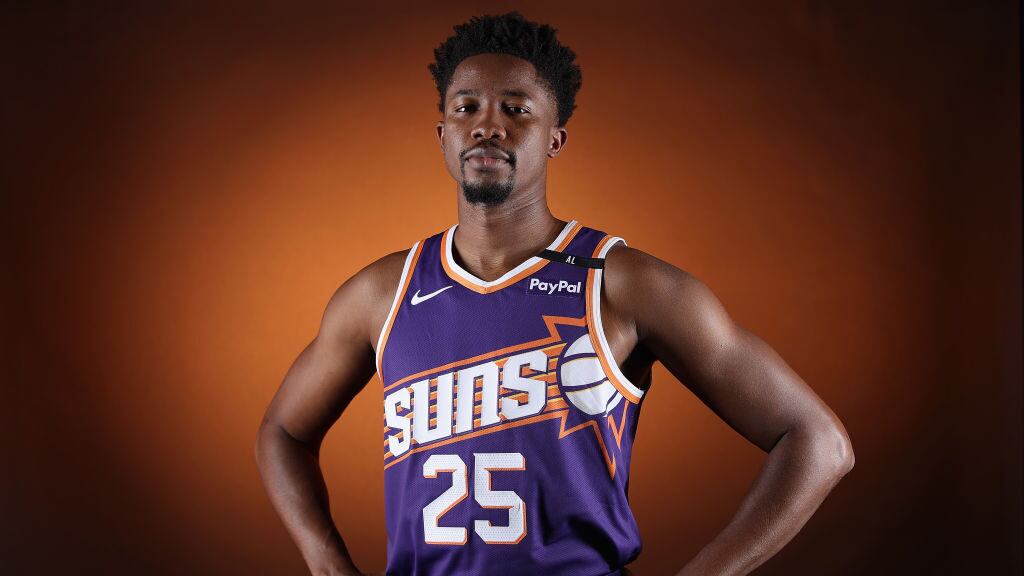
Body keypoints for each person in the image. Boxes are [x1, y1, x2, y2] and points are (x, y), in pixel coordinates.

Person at [255, 11, 854, 576]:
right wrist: (327, 563)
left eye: (516, 109)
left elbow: (819, 442)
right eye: (467, 107)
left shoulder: (620, 283)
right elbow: (282, 432)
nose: (488, 124)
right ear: (443, 134)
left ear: (554, 139)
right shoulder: (380, 294)